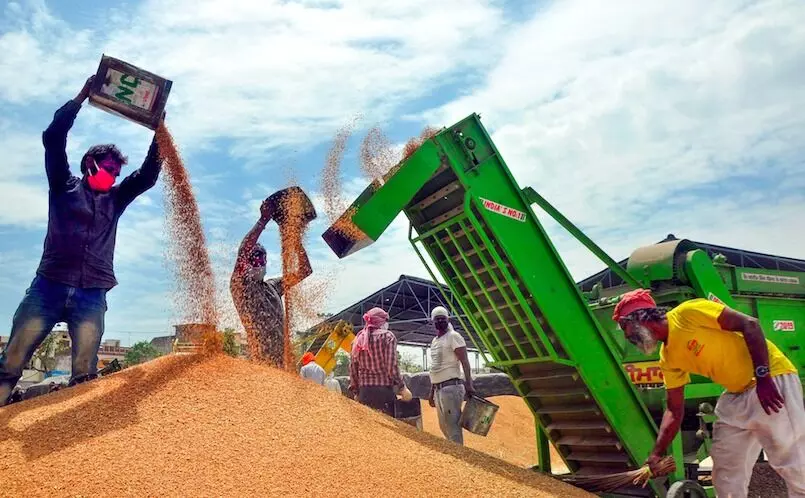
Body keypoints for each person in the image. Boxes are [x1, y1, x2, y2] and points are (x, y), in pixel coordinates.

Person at [0, 75, 164, 406]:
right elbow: (53, 137)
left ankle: (73, 438)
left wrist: (160, 130)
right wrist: (81, 96)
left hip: (92, 293)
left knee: (85, 373)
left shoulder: (116, 200)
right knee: (13, 360)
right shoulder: (64, 185)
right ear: (89, 165)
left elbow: (146, 176)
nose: (113, 176)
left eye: (117, 172)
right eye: (107, 168)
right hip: (48, 286)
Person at [613, 289, 804, 497]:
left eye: (625, 326)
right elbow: (674, 410)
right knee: (725, 469)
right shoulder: (668, 358)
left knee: (793, 462)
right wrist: (657, 453)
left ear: (640, 316)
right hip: (736, 393)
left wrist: (763, 378)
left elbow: (750, 324)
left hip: (771, 380)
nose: (626, 335)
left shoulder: (687, 313)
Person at [230, 197, 312, 367]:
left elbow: (305, 271)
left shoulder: (273, 286)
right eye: (254, 259)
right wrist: (263, 220)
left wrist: (296, 243)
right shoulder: (241, 287)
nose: (259, 264)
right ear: (246, 263)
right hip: (261, 363)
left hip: (282, 361)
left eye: (262, 259)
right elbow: (244, 250)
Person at [427, 306, 475, 445]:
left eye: (443, 318)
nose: (440, 321)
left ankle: (459, 457)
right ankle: (454, 456)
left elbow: (464, 361)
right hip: (438, 389)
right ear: (432, 321)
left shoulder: (454, 337)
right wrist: (432, 392)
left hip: (451, 388)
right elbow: (435, 368)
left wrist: (469, 384)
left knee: (453, 426)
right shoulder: (435, 341)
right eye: (437, 319)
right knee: (444, 426)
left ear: (448, 319)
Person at [348, 307, 404, 417]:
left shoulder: (357, 340)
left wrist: (356, 392)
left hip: (365, 393)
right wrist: (402, 387)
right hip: (384, 393)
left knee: (369, 431)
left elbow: (353, 368)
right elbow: (391, 367)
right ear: (381, 321)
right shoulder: (387, 336)